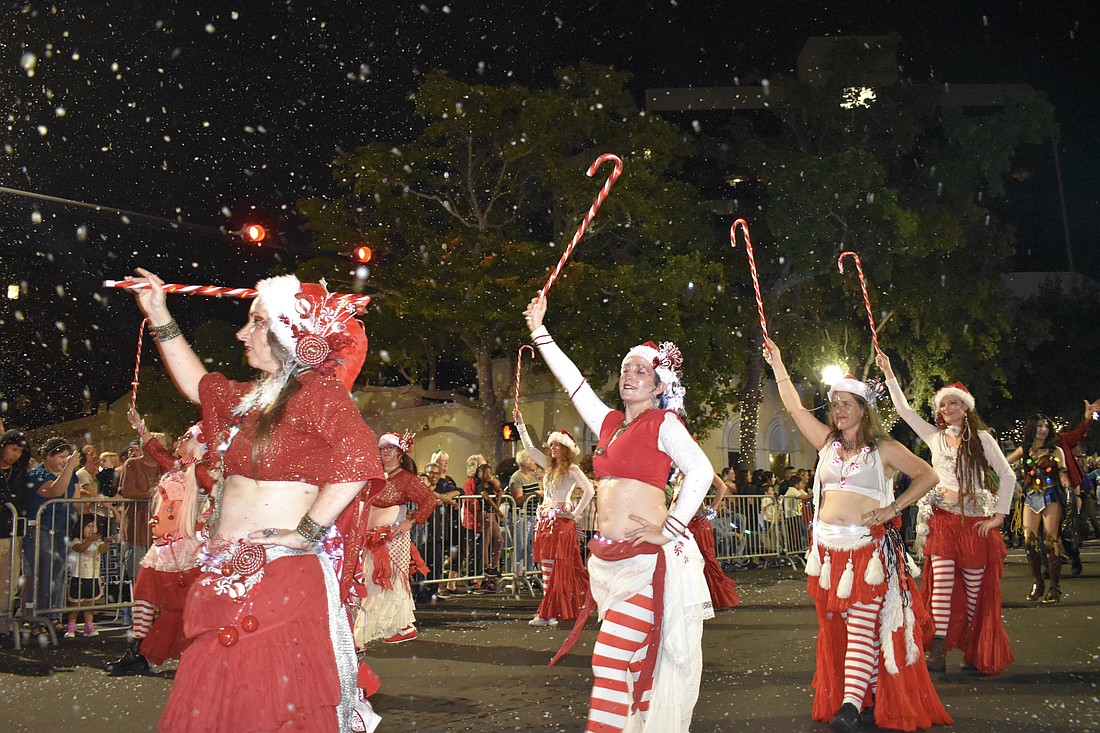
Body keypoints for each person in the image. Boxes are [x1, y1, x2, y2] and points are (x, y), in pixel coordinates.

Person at [124, 268, 385, 733]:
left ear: (292, 333)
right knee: (220, 701)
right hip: (225, 569)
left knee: (268, 703)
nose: (243, 332)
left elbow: (359, 459)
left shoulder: (318, 394)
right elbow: (197, 384)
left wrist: (306, 533)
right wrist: (160, 314)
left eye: (257, 322)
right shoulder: (249, 400)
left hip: (280, 574)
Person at [526, 295, 714, 733]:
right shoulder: (610, 423)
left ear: (658, 384)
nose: (629, 375)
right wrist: (539, 332)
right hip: (606, 564)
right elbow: (575, 385)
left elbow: (701, 472)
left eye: (641, 370)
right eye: (626, 368)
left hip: (648, 566)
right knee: (631, 666)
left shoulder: (664, 423)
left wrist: (669, 528)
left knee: (609, 658)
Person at [764, 339, 951, 733]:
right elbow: (796, 407)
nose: (838, 410)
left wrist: (893, 508)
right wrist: (779, 364)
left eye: (847, 404)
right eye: (834, 404)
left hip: (867, 554)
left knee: (862, 629)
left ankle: (849, 705)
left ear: (864, 410)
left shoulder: (884, 448)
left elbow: (928, 475)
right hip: (830, 554)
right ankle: (865, 695)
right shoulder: (827, 444)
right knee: (843, 629)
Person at [879, 355, 1016, 675]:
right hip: (941, 521)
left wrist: (999, 516)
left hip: (973, 526)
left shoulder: (982, 439)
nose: (946, 409)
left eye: (953, 404)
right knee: (939, 584)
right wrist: (888, 374)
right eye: (943, 405)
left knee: (972, 591)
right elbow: (904, 411)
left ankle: (972, 648)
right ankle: (937, 649)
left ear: (965, 407)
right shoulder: (934, 438)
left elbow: (1007, 476)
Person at [106, 414, 213, 676]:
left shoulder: (199, 471)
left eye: (187, 437)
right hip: (163, 550)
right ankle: (138, 650)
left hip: (184, 549)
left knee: (182, 605)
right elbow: (155, 450)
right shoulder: (178, 467)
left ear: (199, 443)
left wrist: (204, 523)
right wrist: (141, 428)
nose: (180, 440)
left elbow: (219, 495)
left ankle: (194, 655)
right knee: (145, 595)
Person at [353, 431, 438, 645]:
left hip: (392, 538)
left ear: (400, 452)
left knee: (389, 580)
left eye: (390, 448)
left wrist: (410, 522)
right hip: (370, 539)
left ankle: (398, 626)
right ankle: (385, 625)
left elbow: (429, 501)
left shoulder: (406, 480)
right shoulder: (374, 476)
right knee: (372, 579)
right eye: (382, 449)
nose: (385, 453)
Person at [514, 415, 595, 626]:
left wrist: (574, 513)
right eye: (551, 445)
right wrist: (521, 424)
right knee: (548, 566)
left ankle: (548, 612)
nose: (552, 449)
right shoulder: (549, 467)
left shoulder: (572, 470)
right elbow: (530, 449)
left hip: (559, 523)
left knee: (557, 566)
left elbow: (589, 491)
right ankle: (551, 610)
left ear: (566, 449)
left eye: (557, 446)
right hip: (545, 522)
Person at [1005, 413, 1073, 603]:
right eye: (1039, 426)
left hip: (1051, 496)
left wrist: (1070, 490)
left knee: (1051, 542)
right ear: (1033, 428)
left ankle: (1055, 588)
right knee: (1029, 542)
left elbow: (1063, 473)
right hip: (1030, 497)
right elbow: (1003, 464)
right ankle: (1038, 582)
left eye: (1046, 426)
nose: (1043, 430)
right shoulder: (1025, 450)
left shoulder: (1056, 450)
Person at [25, 436, 81, 630]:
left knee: (58, 571)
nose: (65, 460)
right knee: (43, 570)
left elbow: (76, 501)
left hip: (62, 527)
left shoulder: (70, 474)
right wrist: (69, 467)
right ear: (49, 456)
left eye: (67, 456)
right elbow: (55, 491)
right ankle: (36, 616)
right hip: (40, 527)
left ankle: (53, 615)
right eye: (61, 457)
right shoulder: (36, 474)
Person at [686, 473, 739, 609]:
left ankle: (712, 597)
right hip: (684, 521)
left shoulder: (700, 466)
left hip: (698, 521)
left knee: (704, 558)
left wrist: (713, 509)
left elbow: (721, 486)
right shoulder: (677, 469)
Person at [1, 430, 31, 635]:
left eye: (20, 451)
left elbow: (21, 501)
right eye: (13, 449)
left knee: (8, 583)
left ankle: (3, 624)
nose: (16, 455)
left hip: (12, 534)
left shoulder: (20, 474)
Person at [64, 518, 111, 637]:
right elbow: (80, 548)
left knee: (89, 603)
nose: (91, 529)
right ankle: (71, 627)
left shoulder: (97, 542)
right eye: (88, 526)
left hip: (93, 577)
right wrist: (89, 541)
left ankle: (89, 625)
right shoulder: (76, 541)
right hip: (78, 576)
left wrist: (106, 543)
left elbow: (103, 550)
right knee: (75, 603)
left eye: (93, 526)